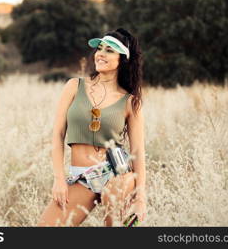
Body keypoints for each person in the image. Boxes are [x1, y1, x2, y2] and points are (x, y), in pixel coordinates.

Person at [37, 28, 146, 227]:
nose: (101, 54)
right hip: (82, 176)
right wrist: (59, 178)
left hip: (116, 173)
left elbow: (138, 151)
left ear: (123, 59)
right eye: (100, 48)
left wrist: (141, 198)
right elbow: (58, 134)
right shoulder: (74, 86)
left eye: (110, 50)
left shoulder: (130, 101)